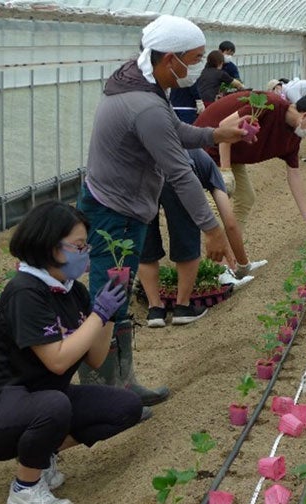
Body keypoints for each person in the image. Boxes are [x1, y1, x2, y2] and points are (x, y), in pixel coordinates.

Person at [77, 15, 249, 404]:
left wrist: (215, 133)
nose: (198, 66)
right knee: (107, 297)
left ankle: (123, 385)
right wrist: (212, 229)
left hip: (121, 205)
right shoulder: (145, 104)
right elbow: (180, 173)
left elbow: (175, 131)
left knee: (117, 294)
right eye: (195, 58)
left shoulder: (142, 83)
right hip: (113, 213)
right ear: (170, 58)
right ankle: (100, 397)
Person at [0, 201, 147, 504]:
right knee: (54, 405)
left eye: (86, 246)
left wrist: (110, 315)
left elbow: (96, 359)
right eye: (78, 246)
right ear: (49, 247)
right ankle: (25, 489)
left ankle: (40, 455)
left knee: (125, 407)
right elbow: (57, 362)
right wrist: (98, 314)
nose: (85, 253)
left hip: (38, 398)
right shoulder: (25, 292)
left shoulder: (74, 292)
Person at [139, 149, 267, 327]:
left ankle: (155, 310)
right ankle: (183, 307)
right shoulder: (212, 170)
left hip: (141, 172)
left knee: (145, 238)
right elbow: (230, 222)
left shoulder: (192, 151)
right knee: (185, 233)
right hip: (178, 173)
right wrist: (243, 265)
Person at [194, 90, 306, 230]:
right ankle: (209, 239)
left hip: (231, 153)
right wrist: (225, 170)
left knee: (246, 199)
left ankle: (230, 242)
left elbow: (294, 175)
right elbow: (225, 126)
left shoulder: (293, 138)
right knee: (215, 203)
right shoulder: (269, 104)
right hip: (206, 143)